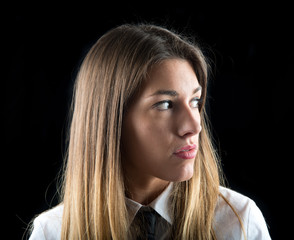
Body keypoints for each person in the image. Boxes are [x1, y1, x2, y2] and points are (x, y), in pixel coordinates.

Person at [29, 24, 271, 240]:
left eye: (196, 102)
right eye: (165, 104)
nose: (194, 126)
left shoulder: (239, 223)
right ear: (111, 119)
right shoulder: (52, 232)